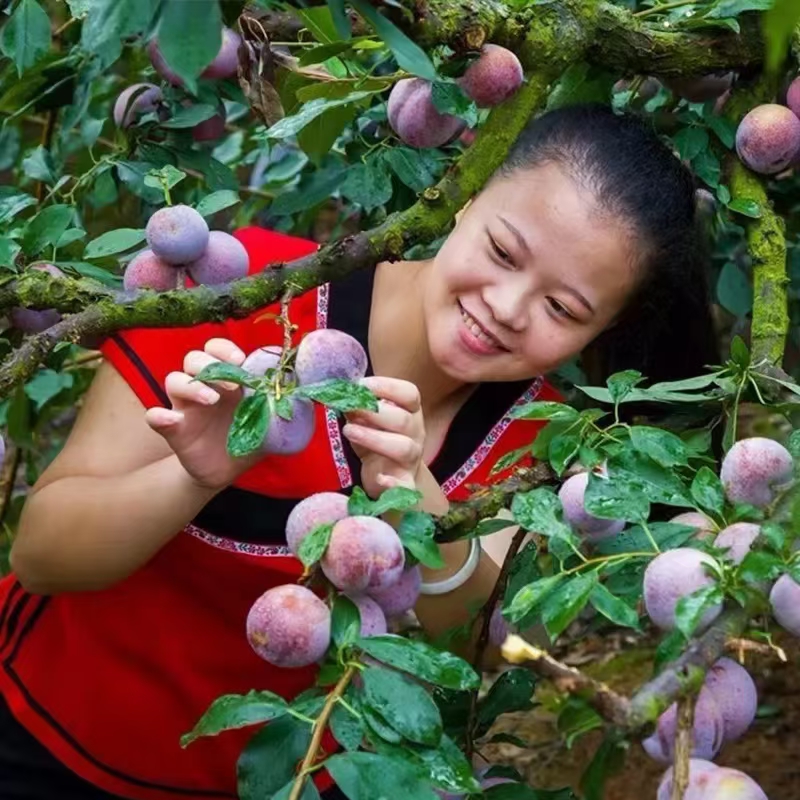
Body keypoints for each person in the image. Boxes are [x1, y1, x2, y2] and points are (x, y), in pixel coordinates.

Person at [0, 103, 719, 800]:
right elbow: (42, 553)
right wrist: (192, 478)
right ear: (466, 194)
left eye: (563, 309)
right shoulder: (250, 294)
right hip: (44, 745)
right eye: (503, 252)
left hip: (294, 779)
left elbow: (484, 651)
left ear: (602, 332)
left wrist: (429, 518)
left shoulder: (540, 439)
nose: (507, 306)